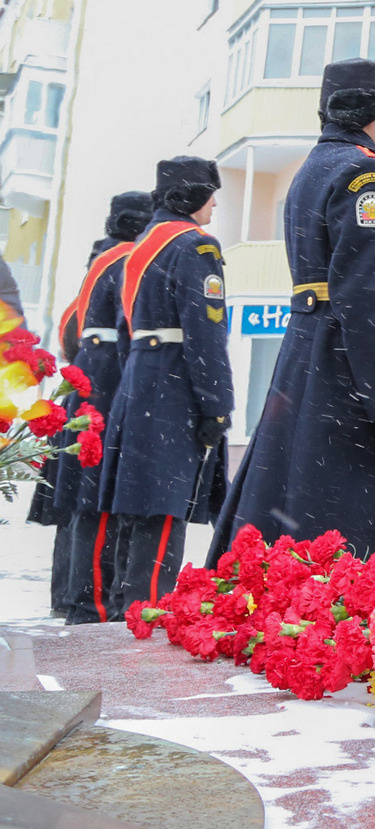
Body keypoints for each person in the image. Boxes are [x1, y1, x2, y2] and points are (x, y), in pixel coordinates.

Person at [209, 58, 375, 562]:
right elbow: (368, 295)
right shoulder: (365, 173)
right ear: (370, 110)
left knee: (293, 494)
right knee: (341, 518)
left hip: (311, 352)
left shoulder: (314, 167)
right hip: (346, 367)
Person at [94, 158, 233, 618]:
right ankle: (146, 613)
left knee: (133, 509)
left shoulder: (139, 249)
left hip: (139, 380)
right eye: (210, 191)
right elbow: (206, 333)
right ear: (192, 196)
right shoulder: (194, 247)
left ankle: (122, 607)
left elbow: (123, 330)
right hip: (174, 385)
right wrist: (217, 405)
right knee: (164, 508)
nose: (215, 201)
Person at [49, 190, 152, 624]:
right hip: (110, 382)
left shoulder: (101, 261)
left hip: (88, 378)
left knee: (80, 499)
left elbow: (70, 330)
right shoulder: (128, 259)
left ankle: (71, 596)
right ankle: (89, 604)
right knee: (97, 498)